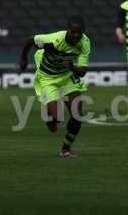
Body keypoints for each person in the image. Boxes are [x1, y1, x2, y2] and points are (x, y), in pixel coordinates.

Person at [19, 16, 90, 158]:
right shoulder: (54, 40)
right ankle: (50, 116)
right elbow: (30, 40)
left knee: (77, 115)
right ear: (68, 30)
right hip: (47, 78)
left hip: (66, 77)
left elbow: (82, 72)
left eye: (79, 33)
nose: (76, 36)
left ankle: (66, 149)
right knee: (56, 119)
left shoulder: (85, 43)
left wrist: (72, 66)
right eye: (73, 32)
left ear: (83, 31)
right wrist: (23, 58)